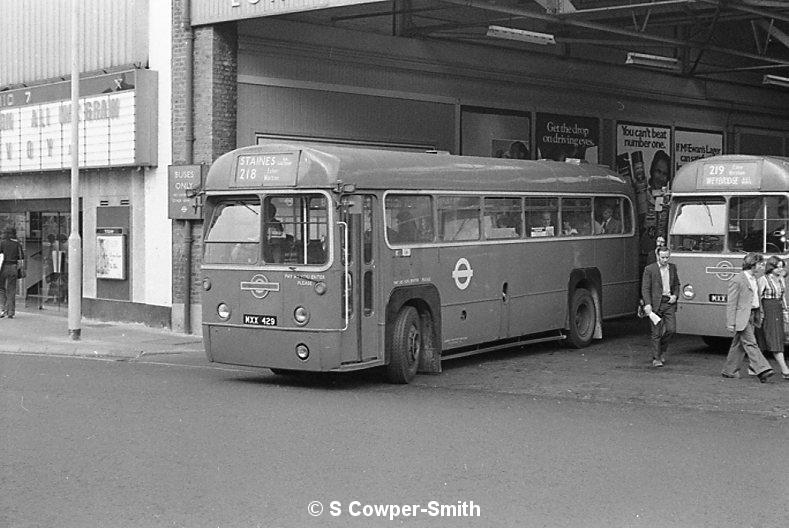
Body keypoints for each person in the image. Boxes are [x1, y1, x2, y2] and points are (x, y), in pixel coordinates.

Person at [721, 253, 775, 383]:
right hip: (742, 317)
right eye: (760, 264)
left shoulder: (754, 279)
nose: (762, 266)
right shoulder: (737, 280)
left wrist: (759, 313)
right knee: (751, 343)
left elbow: (755, 298)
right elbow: (732, 303)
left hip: (752, 315)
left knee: (738, 344)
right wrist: (730, 322)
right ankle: (763, 369)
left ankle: (729, 371)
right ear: (753, 264)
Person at [641, 246, 679, 367]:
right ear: (658, 256)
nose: (665, 260)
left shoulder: (672, 268)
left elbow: (677, 284)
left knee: (671, 329)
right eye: (662, 257)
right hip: (655, 304)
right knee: (656, 332)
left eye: (667, 257)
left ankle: (661, 350)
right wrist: (647, 304)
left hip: (668, 303)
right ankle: (656, 358)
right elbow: (645, 288)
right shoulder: (649, 269)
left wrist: (675, 296)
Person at [757, 256, 789, 380]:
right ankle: (785, 369)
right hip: (767, 309)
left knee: (774, 338)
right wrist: (760, 313)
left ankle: (754, 367)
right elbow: (757, 297)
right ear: (771, 267)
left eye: (782, 266)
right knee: (773, 338)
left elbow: (783, 297)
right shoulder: (763, 280)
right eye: (778, 267)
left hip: (777, 310)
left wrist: (785, 312)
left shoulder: (781, 280)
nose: (781, 269)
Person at [0, 227, 25, 319]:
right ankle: (11, 312)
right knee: (11, 290)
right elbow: (21, 256)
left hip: (2, 267)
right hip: (13, 267)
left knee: (1, 289)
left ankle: (2, 309)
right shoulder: (17, 244)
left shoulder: (1, 243)